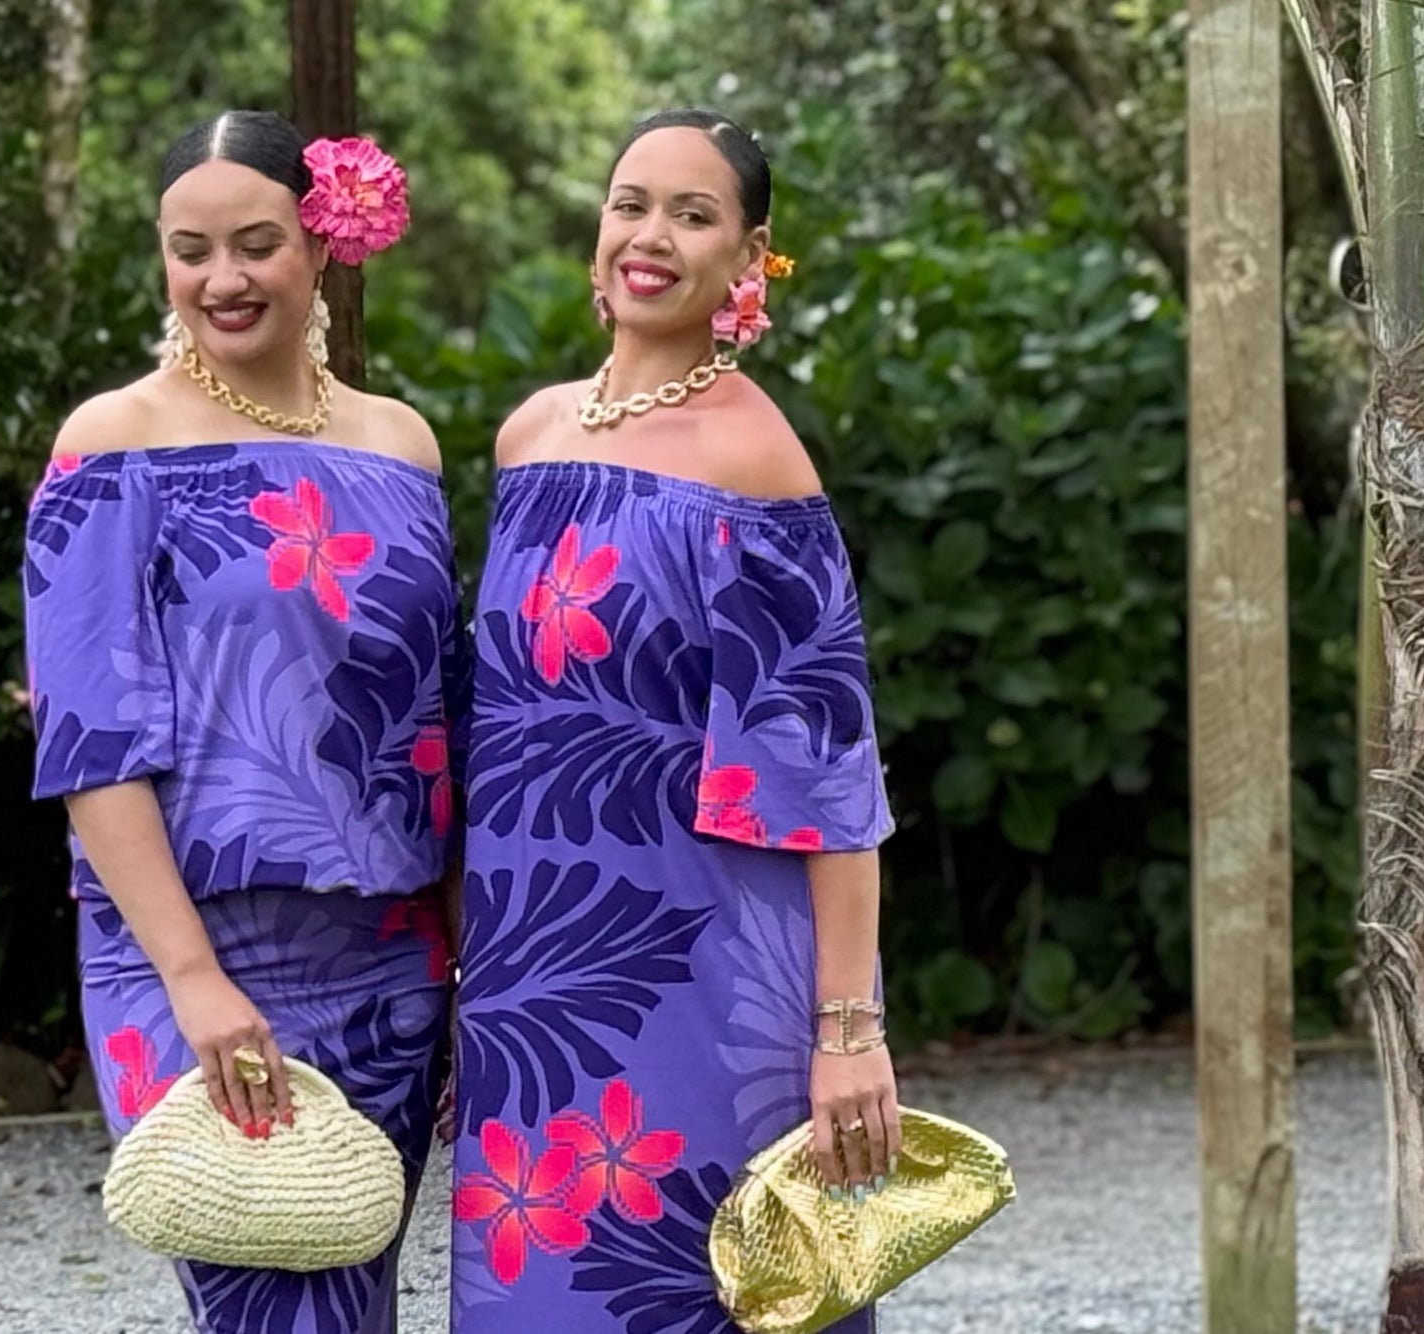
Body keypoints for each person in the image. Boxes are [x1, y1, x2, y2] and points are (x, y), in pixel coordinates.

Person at [449, 108, 897, 1332]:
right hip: (527, 973)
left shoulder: (755, 463)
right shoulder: (530, 434)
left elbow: (825, 775)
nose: (650, 236)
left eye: (692, 215)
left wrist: (847, 1030)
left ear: (749, 259)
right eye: (629, 203)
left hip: (702, 976)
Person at [23, 109, 463, 1333]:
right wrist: (193, 978)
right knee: (272, 1308)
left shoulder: (400, 445)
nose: (222, 278)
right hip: (193, 955)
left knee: (351, 1296)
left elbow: (438, 719)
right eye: (189, 247)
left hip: (390, 955)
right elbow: (90, 739)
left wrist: (464, 948)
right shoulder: (115, 442)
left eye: (256, 242)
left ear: (320, 245)